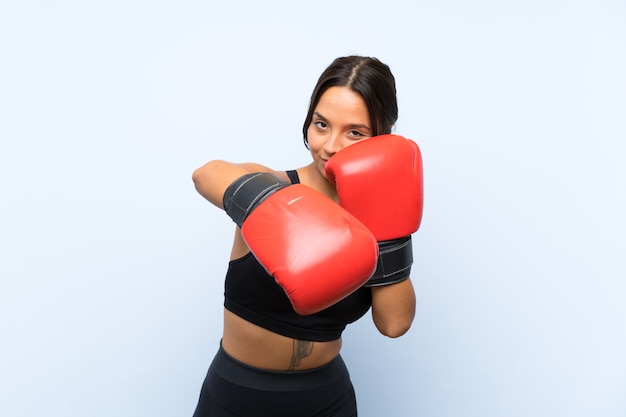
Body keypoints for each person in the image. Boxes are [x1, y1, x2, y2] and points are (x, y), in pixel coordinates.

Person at [191, 55, 423, 417]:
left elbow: (394, 324)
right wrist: (285, 211)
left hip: (326, 399)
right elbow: (205, 175)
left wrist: (387, 227)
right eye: (321, 125)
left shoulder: (377, 218)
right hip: (238, 395)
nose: (330, 146)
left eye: (355, 132)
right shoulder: (275, 186)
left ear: (384, 135)